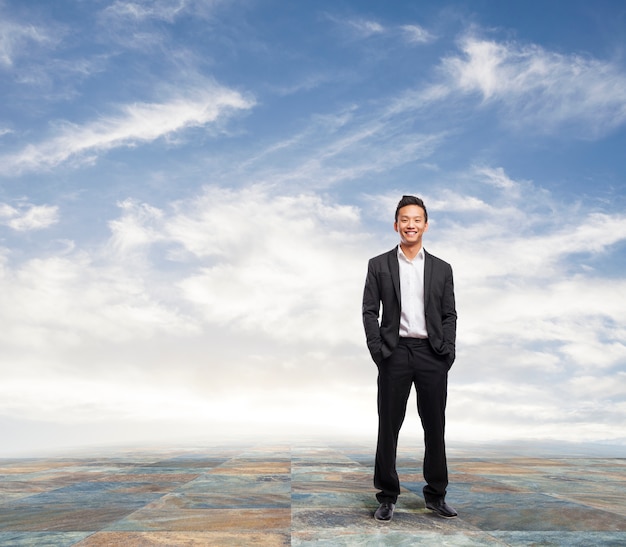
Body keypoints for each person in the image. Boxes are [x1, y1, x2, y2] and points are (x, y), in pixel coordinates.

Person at [362, 195, 458, 521]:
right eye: (405, 219)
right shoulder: (379, 265)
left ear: (426, 225)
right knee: (388, 427)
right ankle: (387, 496)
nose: (411, 225)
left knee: (435, 426)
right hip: (394, 353)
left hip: (432, 354)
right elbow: (369, 311)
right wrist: (378, 351)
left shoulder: (443, 269)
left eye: (417, 220)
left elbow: (449, 315)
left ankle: (436, 495)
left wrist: (448, 352)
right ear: (396, 225)